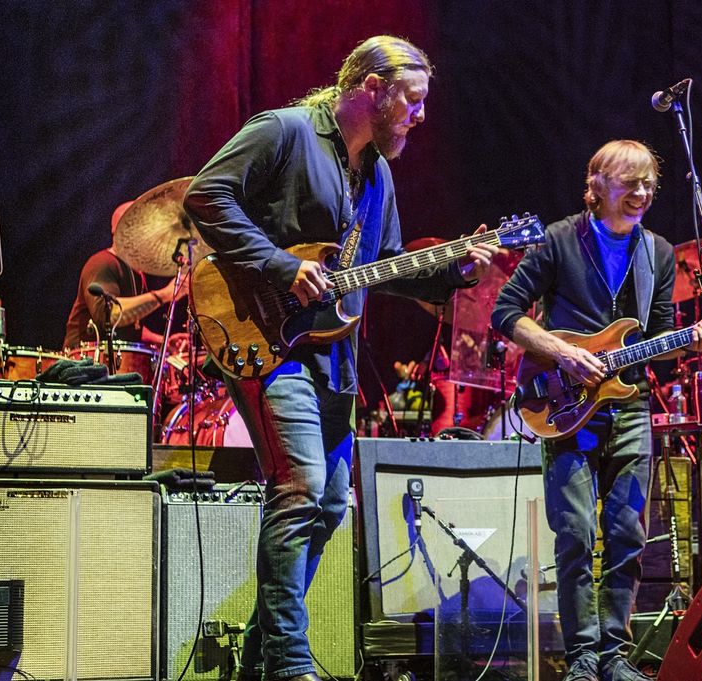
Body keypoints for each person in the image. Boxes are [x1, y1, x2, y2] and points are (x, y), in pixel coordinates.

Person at [184, 36, 496, 681]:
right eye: (412, 100)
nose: (420, 115)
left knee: (329, 505)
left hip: (333, 355)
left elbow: (378, 271)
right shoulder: (286, 130)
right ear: (372, 87)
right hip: (266, 343)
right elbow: (206, 195)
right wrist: (279, 264)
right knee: (299, 489)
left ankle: (260, 648)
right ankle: (290, 661)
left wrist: (452, 274)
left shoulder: (377, 172)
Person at [492, 140, 702, 681]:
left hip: (627, 405)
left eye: (649, 185)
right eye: (630, 183)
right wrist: (563, 352)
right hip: (563, 404)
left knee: (628, 534)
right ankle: (583, 653)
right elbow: (505, 311)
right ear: (598, 185)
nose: (641, 194)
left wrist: (691, 339)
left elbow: (657, 333)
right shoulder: (560, 240)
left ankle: (614, 654)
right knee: (575, 533)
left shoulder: (657, 252)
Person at [63, 200, 184, 349]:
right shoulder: (102, 263)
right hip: (84, 364)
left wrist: (162, 341)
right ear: (123, 230)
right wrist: (164, 295)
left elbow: (131, 326)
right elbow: (110, 315)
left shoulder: (137, 274)